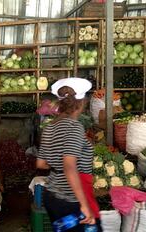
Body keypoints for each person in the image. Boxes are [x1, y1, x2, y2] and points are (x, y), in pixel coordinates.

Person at [36, 78, 101, 231]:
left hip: (52, 195)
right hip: (70, 198)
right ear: (82, 102)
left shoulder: (49, 127)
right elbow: (69, 167)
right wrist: (84, 205)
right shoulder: (75, 127)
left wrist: (57, 161)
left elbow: (41, 164)